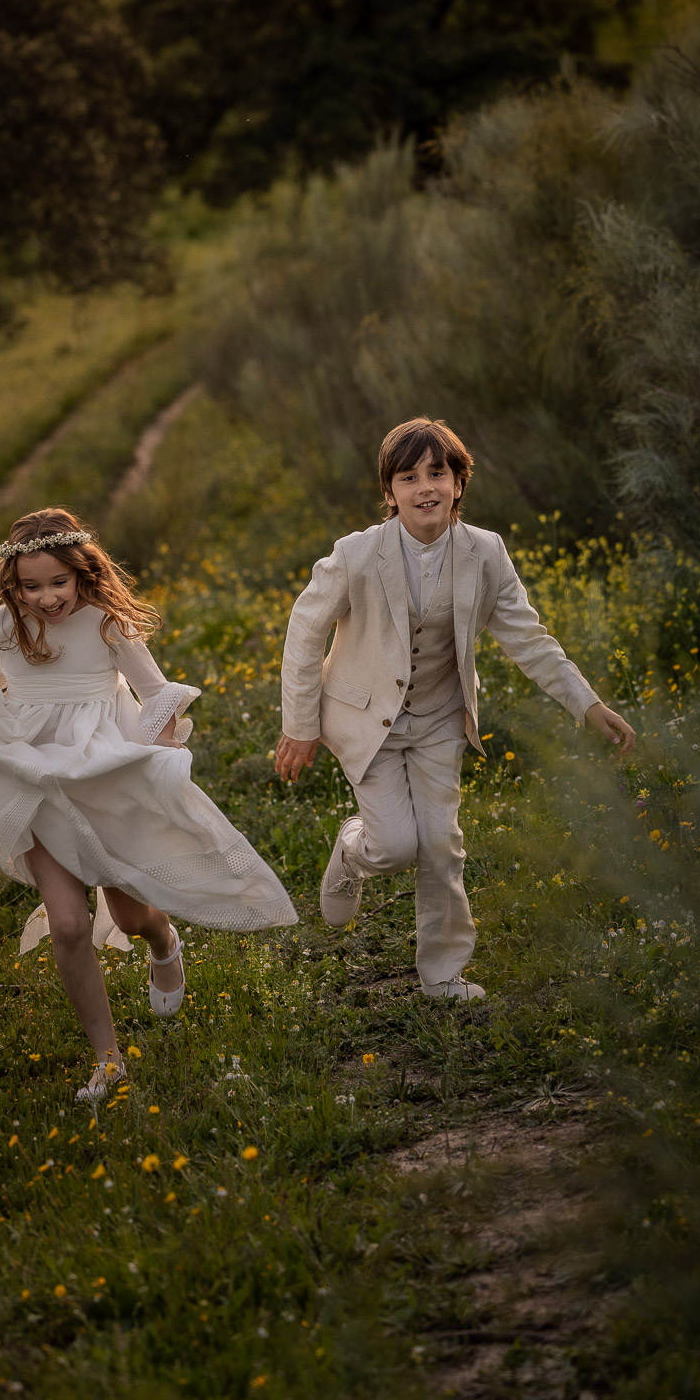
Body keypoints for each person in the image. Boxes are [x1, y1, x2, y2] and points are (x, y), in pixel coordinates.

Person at [0, 507, 296, 1101]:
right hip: (37, 778)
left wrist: (159, 757)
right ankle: (109, 1060)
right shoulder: (3, 624)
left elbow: (155, 694)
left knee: (129, 916)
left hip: (104, 775)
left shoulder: (105, 624)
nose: (47, 598)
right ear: (12, 584)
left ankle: (163, 941)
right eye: (31, 586)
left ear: (80, 573)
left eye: (58, 582)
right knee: (69, 926)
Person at [274, 418, 634, 1001]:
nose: (425, 488)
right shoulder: (357, 554)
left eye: (437, 473)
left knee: (441, 843)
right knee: (395, 847)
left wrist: (587, 705)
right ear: (390, 492)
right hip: (368, 718)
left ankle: (443, 973)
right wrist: (300, 725)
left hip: (441, 716)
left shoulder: (485, 553)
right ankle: (351, 846)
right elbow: (305, 632)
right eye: (408, 477)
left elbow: (528, 637)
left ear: (459, 482)